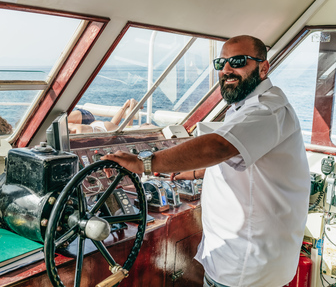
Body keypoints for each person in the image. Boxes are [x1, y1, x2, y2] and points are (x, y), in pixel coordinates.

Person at [102, 35, 310, 287]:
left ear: (263, 67)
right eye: (221, 63)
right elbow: (247, 161)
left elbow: (219, 146)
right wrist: (198, 172)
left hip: (247, 265)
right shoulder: (245, 106)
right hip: (239, 257)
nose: (227, 69)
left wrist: (144, 163)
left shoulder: (267, 110)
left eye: (238, 61)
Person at [68, 99, 138, 134]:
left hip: (100, 127)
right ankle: (126, 104)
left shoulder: (78, 129)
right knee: (114, 126)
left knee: (127, 129)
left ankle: (132, 105)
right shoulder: (70, 126)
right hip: (97, 125)